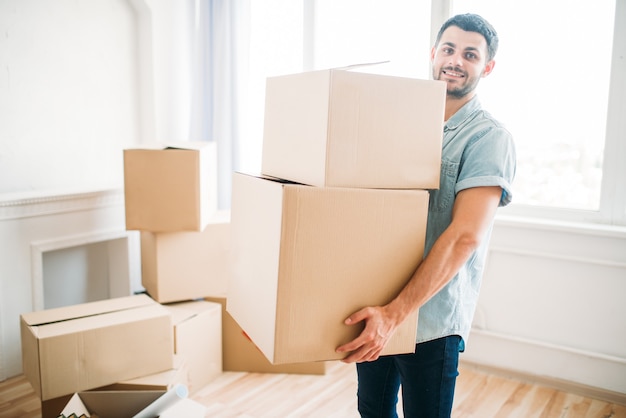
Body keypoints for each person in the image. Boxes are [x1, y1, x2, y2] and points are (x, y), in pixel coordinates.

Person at [335, 13, 517, 418]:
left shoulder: (490, 138)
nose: (455, 60)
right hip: (378, 302)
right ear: (433, 53)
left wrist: (394, 315)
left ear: (487, 67)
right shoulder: (401, 124)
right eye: (449, 49)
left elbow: (464, 237)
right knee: (373, 411)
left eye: (470, 54)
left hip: (430, 321)